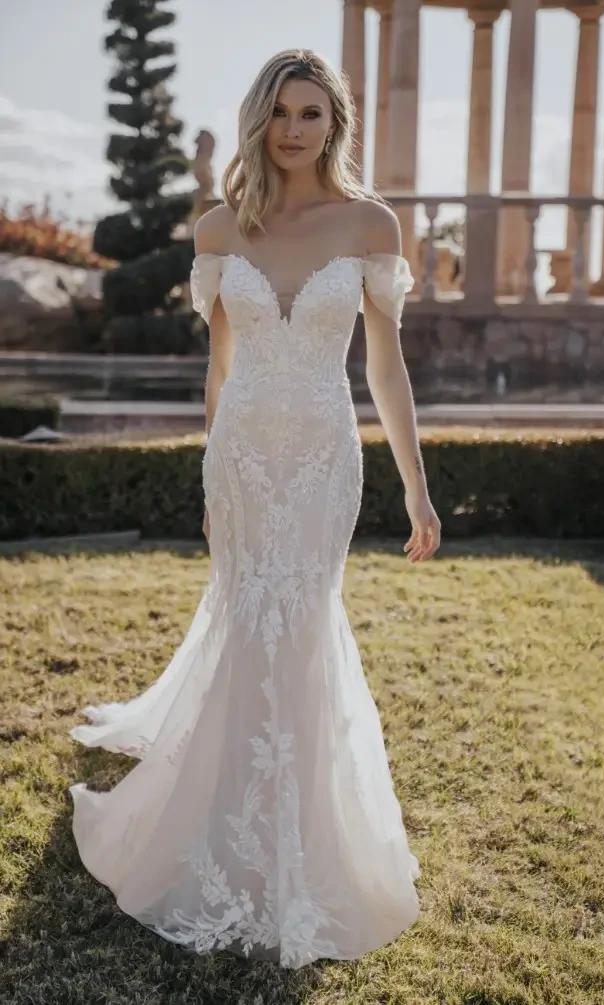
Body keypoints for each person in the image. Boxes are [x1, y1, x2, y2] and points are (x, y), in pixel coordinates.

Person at [68, 48, 441, 970]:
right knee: (248, 624)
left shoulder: (371, 223)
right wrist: (209, 472)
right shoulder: (216, 230)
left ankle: (306, 853)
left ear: (335, 124)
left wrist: (419, 487)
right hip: (242, 458)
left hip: (321, 457)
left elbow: (385, 369)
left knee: (300, 622)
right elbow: (220, 365)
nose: (294, 128)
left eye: (312, 112)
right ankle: (220, 839)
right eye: (280, 111)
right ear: (259, 119)